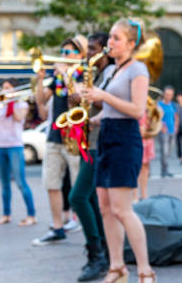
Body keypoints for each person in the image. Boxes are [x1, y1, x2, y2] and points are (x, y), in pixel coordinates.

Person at [82, 17, 156, 283]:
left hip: (125, 139)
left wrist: (103, 97)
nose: (109, 43)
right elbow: (111, 110)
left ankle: (145, 270)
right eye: (110, 37)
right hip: (107, 136)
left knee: (123, 209)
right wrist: (92, 118)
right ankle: (117, 267)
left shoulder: (138, 70)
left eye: (115, 38)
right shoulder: (113, 70)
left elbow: (137, 110)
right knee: (105, 207)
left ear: (130, 43)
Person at [32, 35, 87, 245]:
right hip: (54, 135)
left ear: (80, 55)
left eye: (68, 53)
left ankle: (84, 224)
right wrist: (39, 80)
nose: (63, 56)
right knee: (51, 182)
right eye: (62, 52)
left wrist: (66, 74)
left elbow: (77, 96)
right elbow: (41, 104)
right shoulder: (56, 78)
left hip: (74, 136)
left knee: (77, 185)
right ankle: (57, 227)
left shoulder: (83, 74)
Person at [68, 32, 114, 281]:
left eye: (93, 50)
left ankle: (96, 254)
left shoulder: (110, 74)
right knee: (94, 201)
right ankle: (104, 252)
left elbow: (109, 104)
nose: (89, 55)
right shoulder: (97, 74)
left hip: (102, 143)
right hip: (92, 142)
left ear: (105, 50)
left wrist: (85, 97)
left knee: (77, 197)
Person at [0, 78, 36, 227]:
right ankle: (6, 214)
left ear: (15, 90)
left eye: (8, 87)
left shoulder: (22, 104)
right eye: (3, 88)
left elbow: (19, 117)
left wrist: (11, 103)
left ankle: (31, 215)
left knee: (21, 182)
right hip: (0, 146)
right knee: (4, 184)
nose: (4, 90)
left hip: (15, 146)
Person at [156, 85, 177, 178]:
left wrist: (176, 126)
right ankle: (163, 171)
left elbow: (176, 116)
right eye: (167, 94)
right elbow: (156, 118)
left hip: (172, 131)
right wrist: (161, 126)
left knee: (168, 152)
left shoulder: (172, 104)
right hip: (163, 131)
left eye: (171, 95)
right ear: (164, 94)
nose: (169, 96)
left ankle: (165, 169)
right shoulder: (159, 105)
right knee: (164, 151)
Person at [137, 109, 156, 202]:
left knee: (145, 167)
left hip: (147, 138)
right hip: (137, 138)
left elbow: (155, 122)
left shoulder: (149, 107)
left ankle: (144, 193)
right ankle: (134, 195)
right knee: (137, 168)